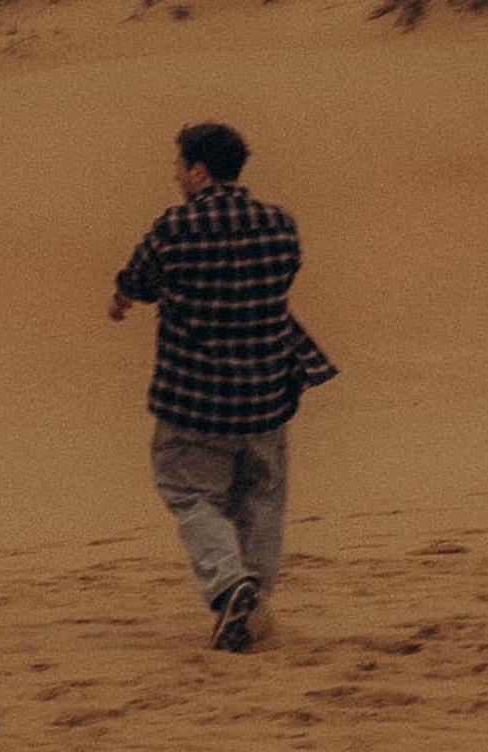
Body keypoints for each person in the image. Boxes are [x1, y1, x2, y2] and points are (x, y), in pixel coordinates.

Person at [110, 120, 336, 651]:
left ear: (199, 170)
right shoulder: (280, 224)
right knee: (261, 499)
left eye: (179, 166)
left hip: (194, 397)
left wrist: (121, 301)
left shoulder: (176, 227)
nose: (175, 176)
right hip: (265, 394)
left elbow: (137, 279)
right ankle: (253, 603)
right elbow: (285, 275)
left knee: (191, 494)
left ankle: (230, 584)